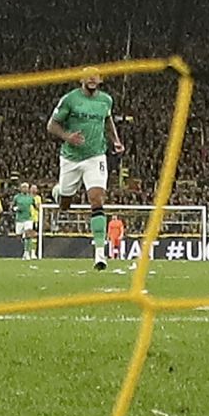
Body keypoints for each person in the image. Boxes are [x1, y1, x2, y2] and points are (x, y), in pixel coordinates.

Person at [47, 67, 125, 270]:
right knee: (65, 204)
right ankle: (58, 193)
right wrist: (67, 136)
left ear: (100, 80)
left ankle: (100, 254)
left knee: (97, 199)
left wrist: (115, 140)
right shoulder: (70, 99)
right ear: (81, 80)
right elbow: (52, 125)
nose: (92, 80)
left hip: (96, 156)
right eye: (88, 78)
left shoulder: (106, 100)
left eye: (95, 77)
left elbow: (107, 120)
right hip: (71, 158)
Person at [12, 181, 39, 260]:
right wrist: (15, 209)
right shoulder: (17, 197)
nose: (25, 189)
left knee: (28, 235)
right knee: (19, 235)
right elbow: (12, 206)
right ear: (20, 188)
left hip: (28, 218)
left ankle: (26, 252)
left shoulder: (31, 198)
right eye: (23, 187)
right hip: (19, 219)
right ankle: (26, 248)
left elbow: (35, 206)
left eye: (26, 187)